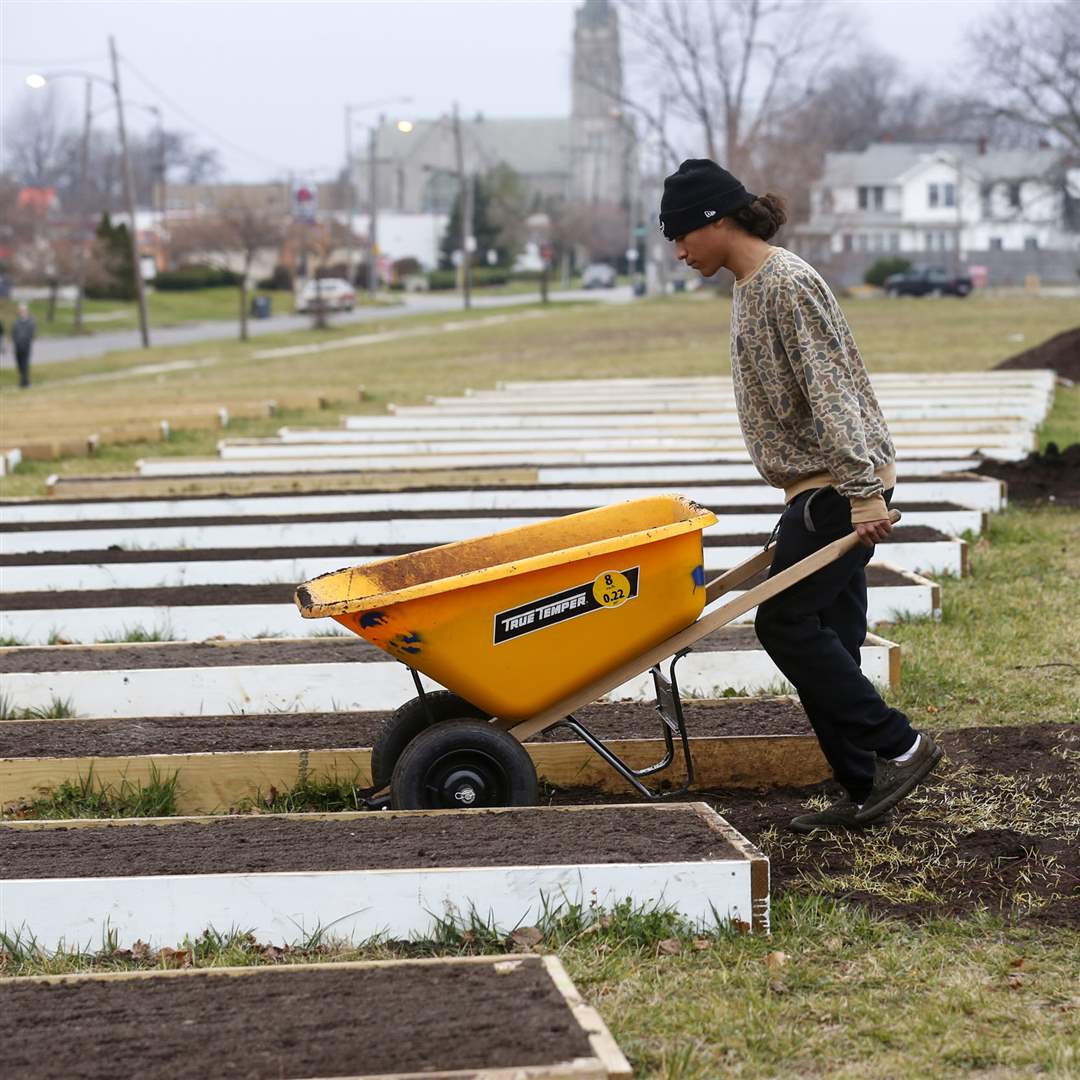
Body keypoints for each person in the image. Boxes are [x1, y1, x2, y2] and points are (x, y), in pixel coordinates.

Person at [659, 158, 942, 833]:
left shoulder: (785, 283)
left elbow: (832, 391)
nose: (677, 251)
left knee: (784, 624)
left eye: (680, 236)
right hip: (818, 488)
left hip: (842, 487)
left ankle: (901, 746)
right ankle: (865, 787)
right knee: (833, 635)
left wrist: (863, 492)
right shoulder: (751, 285)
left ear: (716, 221)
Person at [11, 303, 36, 389]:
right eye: (21, 311)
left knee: (25, 364)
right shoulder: (16, 322)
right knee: (19, 364)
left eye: (24, 310)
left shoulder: (30, 322)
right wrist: (15, 341)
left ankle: (23, 383)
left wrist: (25, 341)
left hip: (26, 345)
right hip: (17, 346)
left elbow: (31, 334)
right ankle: (25, 381)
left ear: (27, 311)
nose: (22, 312)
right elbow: (13, 333)